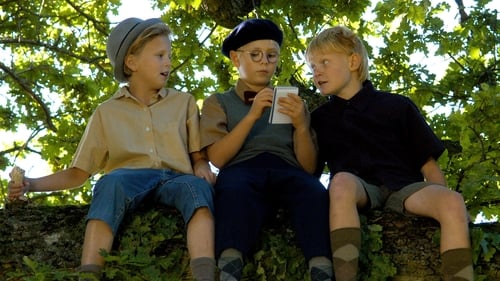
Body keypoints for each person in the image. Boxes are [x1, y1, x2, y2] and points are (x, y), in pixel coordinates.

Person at [7, 17, 217, 281]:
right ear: (131, 62)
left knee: (198, 190)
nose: (168, 62)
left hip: (176, 179)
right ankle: (90, 274)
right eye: (160, 55)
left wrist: (201, 167)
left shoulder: (184, 102)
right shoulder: (106, 112)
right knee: (109, 184)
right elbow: (79, 173)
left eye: (169, 55)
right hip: (128, 180)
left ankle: (205, 273)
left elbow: (197, 156)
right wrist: (31, 184)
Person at [306, 25, 473, 281]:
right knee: (339, 182)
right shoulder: (318, 119)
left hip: (405, 188)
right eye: (312, 67)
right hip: (358, 189)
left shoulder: (397, 106)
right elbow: (309, 172)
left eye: (324, 62)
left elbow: (428, 164)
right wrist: (298, 126)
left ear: (353, 61)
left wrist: (442, 208)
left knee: (452, 201)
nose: (317, 72)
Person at [199, 18, 332, 281]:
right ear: (236, 59)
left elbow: (308, 168)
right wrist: (251, 116)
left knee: (313, 192)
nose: (264, 62)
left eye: (271, 56)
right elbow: (217, 158)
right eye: (256, 55)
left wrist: (301, 126)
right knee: (233, 189)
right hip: (241, 168)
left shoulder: (293, 102)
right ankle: (230, 264)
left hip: (288, 169)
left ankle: (321, 267)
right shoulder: (219, 102)